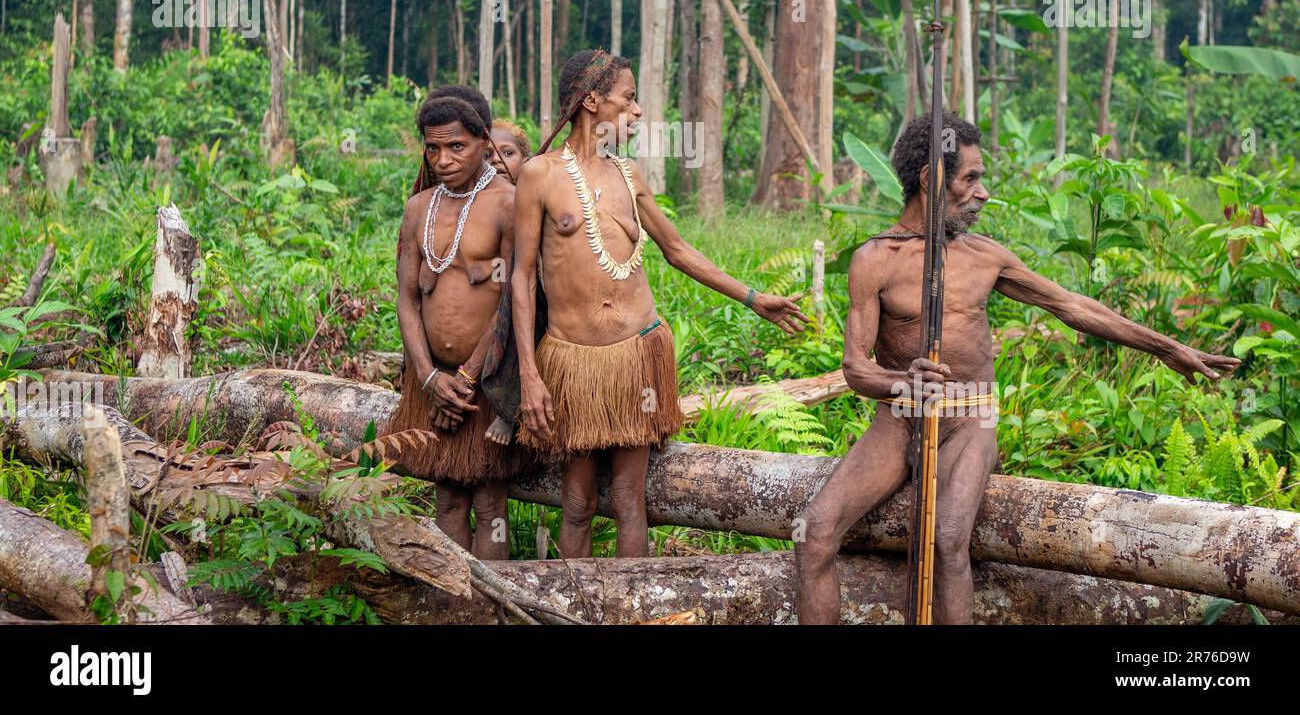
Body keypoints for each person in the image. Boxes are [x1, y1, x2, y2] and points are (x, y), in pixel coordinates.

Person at [793, 111, 1240, 623]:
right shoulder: (874, 259)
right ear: (929, 179)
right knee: (815, 531)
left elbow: (1072, 306)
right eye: (971, 178)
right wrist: (901, 381)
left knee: (948, 539)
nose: (983, 192)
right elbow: (855, 369)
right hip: (898, 420)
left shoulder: (985, 257)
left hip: (968, 419)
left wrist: (1166, 347)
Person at [512, 48, 810, 558]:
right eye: (628, 99)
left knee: (631, 500)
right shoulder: (540, 175)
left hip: (637, 354)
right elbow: (519, 279)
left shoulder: (628, 176)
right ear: (591, 102)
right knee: (578, 502)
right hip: (574, 361)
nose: (638, 111)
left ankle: (636, 609)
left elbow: (677, 250)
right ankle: (573, 608)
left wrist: (753, 298)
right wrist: (529, 375)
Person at [384, 86, 526, 559]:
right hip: (431, 382)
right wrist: (428, 378)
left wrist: (465, 380)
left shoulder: (508, 203)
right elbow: (406, 298)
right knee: (447, 497)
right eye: (433, 147)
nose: (443, 159)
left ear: (484, 143)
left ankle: (493, 606)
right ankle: (449, 602)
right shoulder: (418, 208)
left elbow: (514, 300)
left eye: (456, 146)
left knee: (489, 503)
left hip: (483, 384)